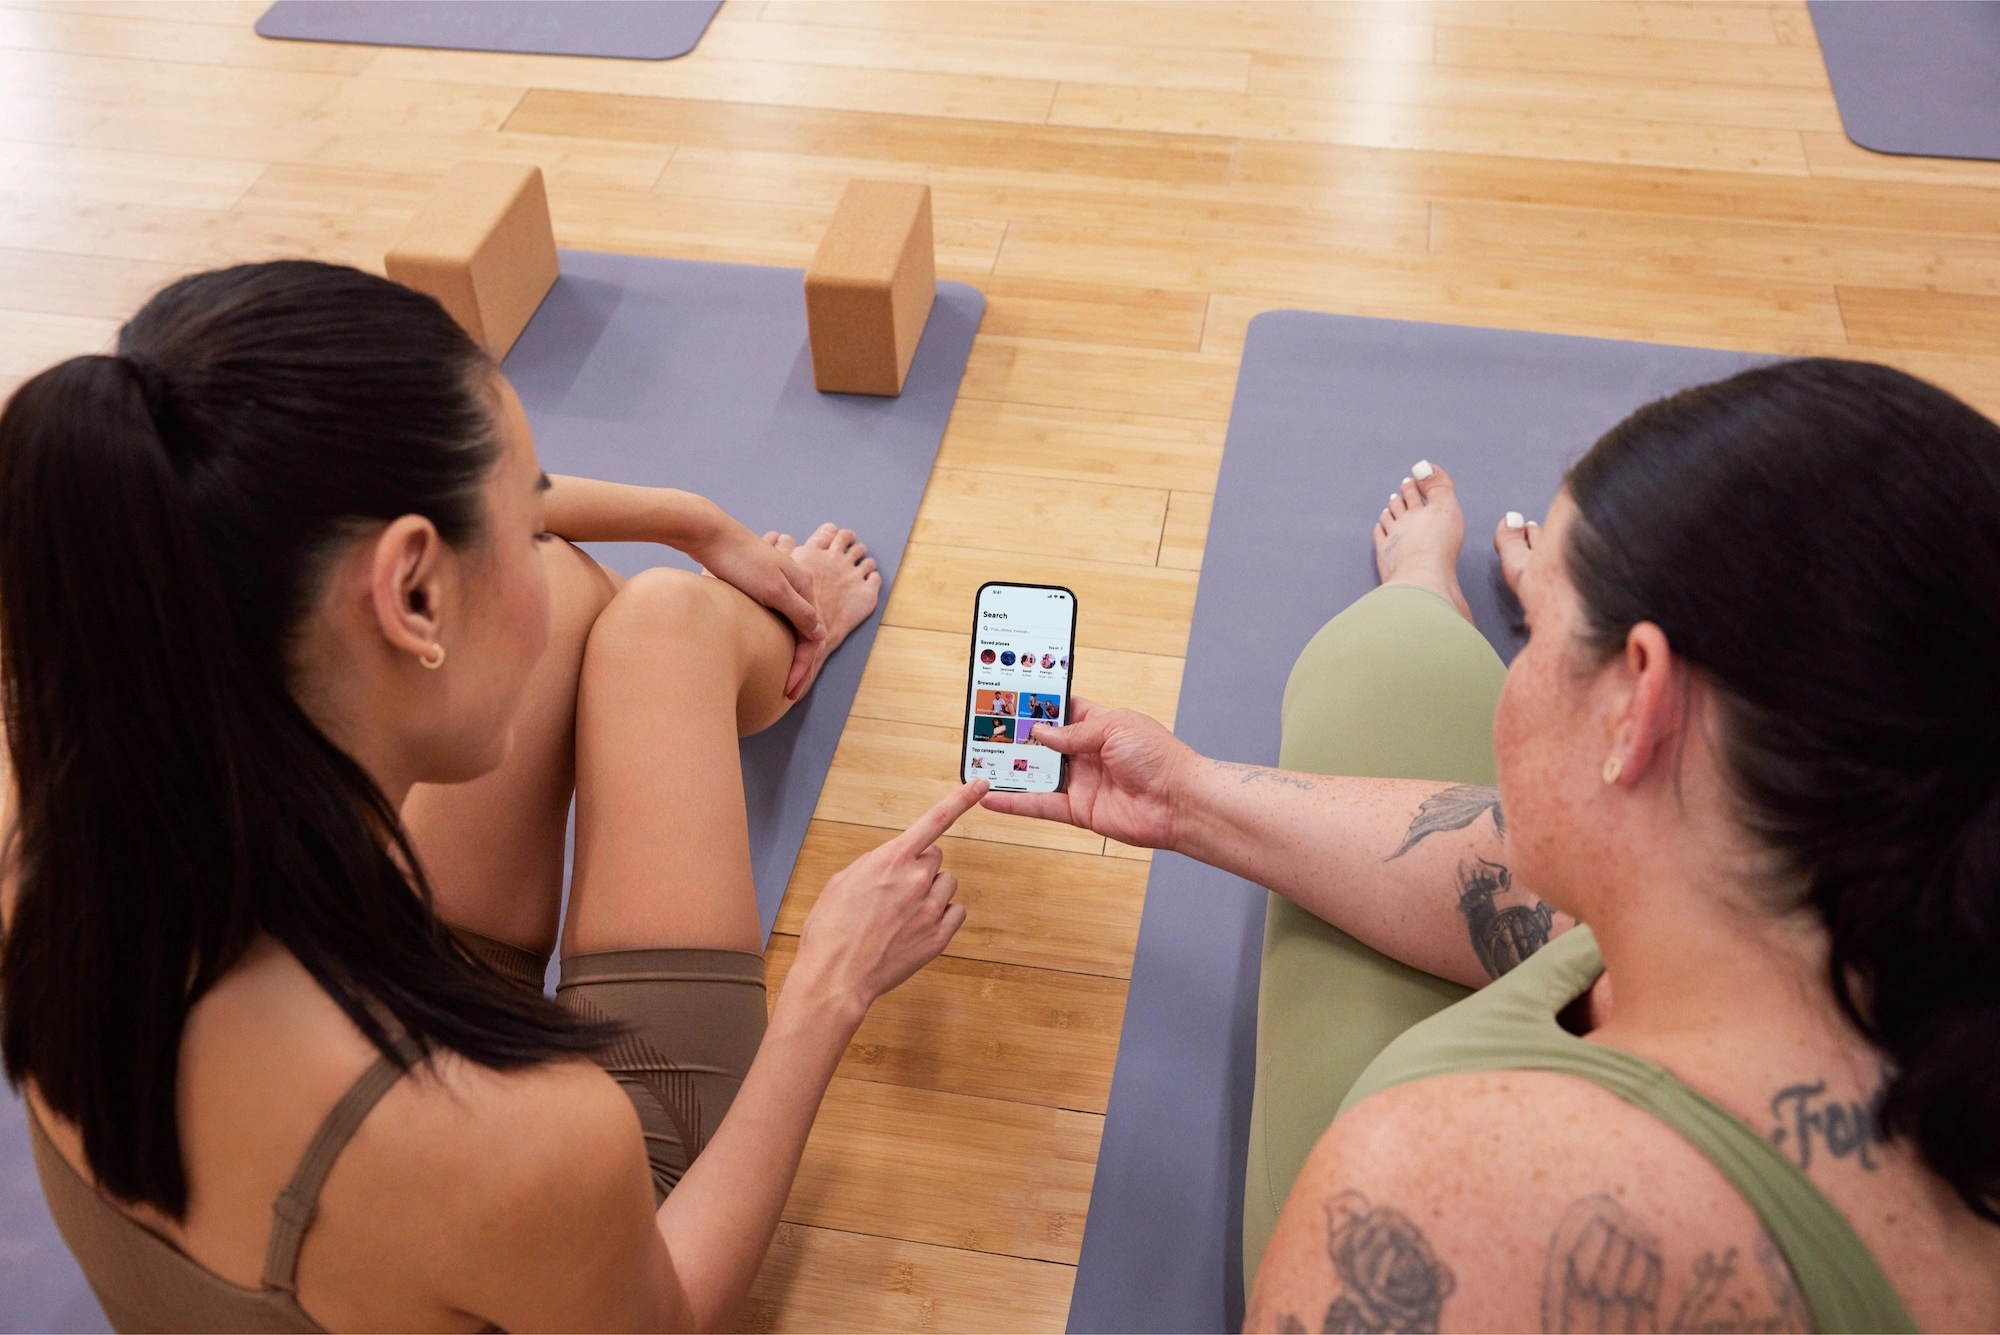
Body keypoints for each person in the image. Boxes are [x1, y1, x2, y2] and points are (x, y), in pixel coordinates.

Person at [0, 260, 988, 1331]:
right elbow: (668, 1319)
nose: (546, 527)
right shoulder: (529, 1142)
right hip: (488, 1202)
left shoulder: (58, 785)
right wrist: (830, 987)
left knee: (577, 591)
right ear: (412, 593)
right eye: (523, 514)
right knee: (666, 623)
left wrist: (688, 517)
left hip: (355, 1127)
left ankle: (727, 613)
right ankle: (780, 627)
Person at [985, 359, 2000, 1330]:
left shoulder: (1431, 1205)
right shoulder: (1910, 878)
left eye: (1542, 628)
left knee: (1387, 654)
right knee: (1406, 678)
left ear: (1639, 699)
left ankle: (1420, 591)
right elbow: (1504, 875)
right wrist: (1186, 797)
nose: (1514, 676)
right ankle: (1426, 593)